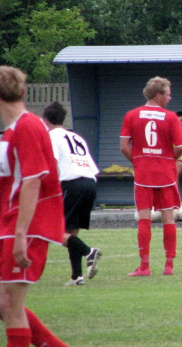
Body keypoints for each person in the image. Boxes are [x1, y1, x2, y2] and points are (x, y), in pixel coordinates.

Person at [0, 65, 68, 346]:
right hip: (12, 223)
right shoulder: (13, 130)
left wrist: (19, 234)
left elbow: (32, 182)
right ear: (25, 91)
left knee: (10, 306)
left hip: (27, 226)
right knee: (5, 304)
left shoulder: (26, 126)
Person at [120, 76, 182, 277]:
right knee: (169, 219)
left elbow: (124, 146)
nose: (170, 97)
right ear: (158, 95)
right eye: (167, 93)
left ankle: (145, 266)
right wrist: (167, 160)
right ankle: (169, 266)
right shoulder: (171, 117)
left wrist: (139, 162)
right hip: (166, 174)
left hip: (143, 175)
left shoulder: (132, 115)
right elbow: (181, 146)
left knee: (144, 219)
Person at [42, 101, 102, 286]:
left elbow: (51, 163)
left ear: (45, 120)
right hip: (90, 183)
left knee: (53, 232)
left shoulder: (51, 137)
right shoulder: (76, 137)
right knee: (71, 231)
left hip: (72, 184)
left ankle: (88, 251)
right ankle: (77, 276)